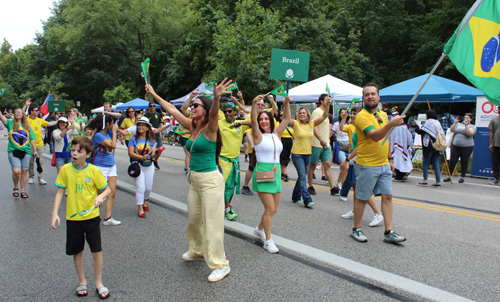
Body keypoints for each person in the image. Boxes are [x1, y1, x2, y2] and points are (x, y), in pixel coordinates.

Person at [146, 79, 231, 282]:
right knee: (193, 220)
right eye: (191, 105)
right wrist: (155, 94)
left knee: (212, 224)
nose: (191, 107)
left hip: (210, 181)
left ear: (205, 109)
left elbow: (214, 114)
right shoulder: (192, 126)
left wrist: (216, 97)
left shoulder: (211, 129)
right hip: (194, 181)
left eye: (196, 105)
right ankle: (197, 250)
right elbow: (172, 110)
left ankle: (220, 264)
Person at [51, 136, 112, 299]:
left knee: (96, 251)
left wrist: (101, 198)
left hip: (91, 218)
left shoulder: (94, 171)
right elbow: (59, 191)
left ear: (88, 154)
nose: (75, 153)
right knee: (77, 251)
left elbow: (107, 189)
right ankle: (82, 281)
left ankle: (99, 283)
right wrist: (54, 212)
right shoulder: (65, 170)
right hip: (73, 219)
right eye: (73, 150)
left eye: (79, 151)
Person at [350, 83, 407, 243]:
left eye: (373, 94)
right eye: (367, 94)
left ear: (378, 96)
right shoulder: (362, 116)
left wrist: (389, 159)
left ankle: (388, 231)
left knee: (387, 196)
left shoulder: (382, 114)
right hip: (367, 164)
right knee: (362, 197)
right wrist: (390, 124)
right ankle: (356, 229)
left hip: (383, 164)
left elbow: (386, 139)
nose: (370, 97)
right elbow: (374, 136)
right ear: (364, 98)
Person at [252, 95, 291, 253]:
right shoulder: (258, 135)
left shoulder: (276, 133)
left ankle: (259, 229)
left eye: (266, 119)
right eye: (261, 119)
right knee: (269, 209)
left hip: (275, 173)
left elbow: (287, 119)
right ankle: (268, 240)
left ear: (271, 120)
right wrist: (255, 104)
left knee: (273, 209)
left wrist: (286, 103)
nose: (263, 121)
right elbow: (253, 121)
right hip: (263, 172)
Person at [338, 107, 384, 227]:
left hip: (358, 158)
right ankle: (354, 210)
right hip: (354, 159)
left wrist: (347, 159)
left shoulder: (363, 126)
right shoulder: (352, 126)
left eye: (355, 114)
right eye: (351, 114)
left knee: (361, 188)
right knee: (355, 187)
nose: (353, 116)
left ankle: (378, 213)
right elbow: (341, 128)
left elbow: (360, 146)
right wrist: (344, 118)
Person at [289, 103, 330, 207]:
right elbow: (285, 119)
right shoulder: (295, 123)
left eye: (304, 113)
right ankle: (307, 199)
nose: (302, 114)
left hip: (307, 154)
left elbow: (324, 116)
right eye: (300, 113)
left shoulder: (311, 123)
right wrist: (286, 104)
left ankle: (295, 196)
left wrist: (328, 104)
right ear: (297, 115)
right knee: (303, 176)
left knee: (301, 177)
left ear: (307, 115)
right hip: (297, 154)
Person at [86, 114, 121, 226]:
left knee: (112, 192)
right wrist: (115, 132)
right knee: (100, 193)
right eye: (111, 123)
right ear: (106, 124)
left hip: (111, 165)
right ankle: (92, 215)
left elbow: (119, 115)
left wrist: (107, 114)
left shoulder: (107, 133)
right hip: (100, 166)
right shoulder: (98, 136)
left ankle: (107, 218)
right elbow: (113, 145)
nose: (113, 125)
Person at [128, 117, 163, 218]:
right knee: (140, 188)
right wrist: (141, 157)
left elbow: (153, 156)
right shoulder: (133, 139)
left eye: (143, 125)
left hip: (149, 165)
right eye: (139, 125)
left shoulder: (151, 140)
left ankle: (144, 201)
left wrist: (157, 154)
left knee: (148, 188)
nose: (140, 127)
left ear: (148, 128)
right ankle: (140, 208)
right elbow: (130, 153)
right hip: (137, 165)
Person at [1, 108, 38, 198]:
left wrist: (35, 150)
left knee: (24, 172)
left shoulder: (27, 125)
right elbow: (1, 116)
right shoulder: (10, 123)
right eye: (16, 112)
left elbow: (32, 138)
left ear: (23, 114)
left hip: (26, 151)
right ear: (14, 114)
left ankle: (22, 191)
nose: (18, 114)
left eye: (20, 112)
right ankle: (15, 186)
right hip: (13, 150)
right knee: (16, 171)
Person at [307, 94, 339, 196]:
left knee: (327, 165)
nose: (329, 101)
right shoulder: (317, 112)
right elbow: (314, 126)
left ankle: (332, 187)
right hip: (316, 143)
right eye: (327, 99)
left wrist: (327, 140)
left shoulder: (326, 113)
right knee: (313, 164)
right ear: (321, 101)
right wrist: (320, 139)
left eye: (330, 99)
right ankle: (310, 186)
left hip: (326, 144)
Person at [218, 102, 244, 220]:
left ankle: (226, 207)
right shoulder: (219, 123)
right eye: (225, 112)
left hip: (236, 161)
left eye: (229, 111)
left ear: (235, 112)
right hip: (223, 159)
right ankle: (228, 209)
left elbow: (255, 122)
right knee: (225, 185)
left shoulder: (241, 125)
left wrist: (241, 123)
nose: (227, 113)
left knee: (233, 185)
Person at [23, 100, 57, 184]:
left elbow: (48, 124)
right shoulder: (27, 119)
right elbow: (22, 114)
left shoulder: (39, 120)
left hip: (39, 144)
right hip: (29, 144)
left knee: (40, 161)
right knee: (31, 161)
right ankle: (31, 177)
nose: (38, 111)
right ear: (31, 111)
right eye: (36, 110)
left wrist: (58, 121)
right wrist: (25, 105)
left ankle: (40, 177)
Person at [443, 113, 476, 183]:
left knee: (464, 161)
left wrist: (466, 125)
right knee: (452, 160)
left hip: (467, 146)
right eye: (465, 117)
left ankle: (462, 177)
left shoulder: (472, 126)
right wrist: (455, 123)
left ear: (471, 119)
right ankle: (449, 175)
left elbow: (469, 133)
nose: (466, 119)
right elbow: (452, 130)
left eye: (468, 118)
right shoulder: (459, 125)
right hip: (456, 145)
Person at [415, 110, 445, 187]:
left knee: (425, 162)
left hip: (429, 145)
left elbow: (420, 131)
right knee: (435, 163)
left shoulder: (428, 122)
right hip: (438, 145)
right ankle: (438, 181)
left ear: (428, 115)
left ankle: (425, 180)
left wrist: (417, 125)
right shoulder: (437, 122)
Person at [389, 112, 414, 181]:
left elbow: (390, 136)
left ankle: (399, 175)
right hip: (403, 146)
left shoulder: (394, 127)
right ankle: (403, 174)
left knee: (398, 161)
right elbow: (409, 136)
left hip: (396, 146)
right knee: (401, 160)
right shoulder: (404, 126)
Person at [144, 103, 163, 170]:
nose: (152, 107)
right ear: (149, 107)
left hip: (157, 135)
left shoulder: (157, 114)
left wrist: (162, 133)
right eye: (151, 106)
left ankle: (155, 160)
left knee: (160, 149)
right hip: (149, 135)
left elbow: (160, 124)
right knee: (150, 150)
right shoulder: (146, 115)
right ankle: (149, 161)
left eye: (153, 106)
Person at [279, 110, 294, 182]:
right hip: (281, 141)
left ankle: (283, 173)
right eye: (282, 115)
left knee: (286, 157)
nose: (283, 116)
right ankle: (283, 173)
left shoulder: (291, 125)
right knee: (282, 157)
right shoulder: (278, 124)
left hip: (289, 142)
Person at [489, 109, 500, 185]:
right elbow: (491, 132)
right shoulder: (494, 119)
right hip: (496, 144)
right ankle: (496, 178)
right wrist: (490, 144)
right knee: (495, 162)